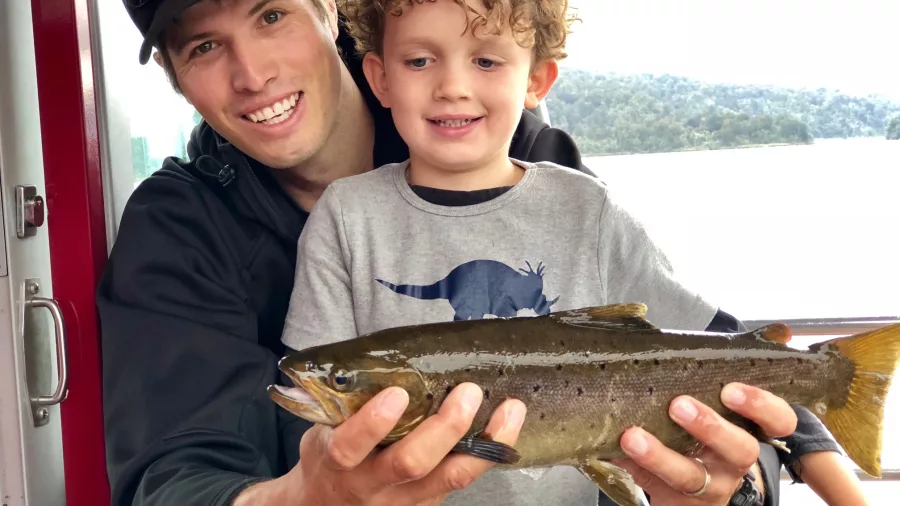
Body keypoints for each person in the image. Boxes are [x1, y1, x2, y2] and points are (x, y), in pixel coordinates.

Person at [98, 0, 838, 505]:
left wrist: (736, 486)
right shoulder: (176, 227)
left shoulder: (526, 157)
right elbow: (172, 479)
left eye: (270, 12)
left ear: (328, 10)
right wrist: (305, 496)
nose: (252, 72)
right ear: (172, 76)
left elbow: (690, 349)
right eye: (202, 44)